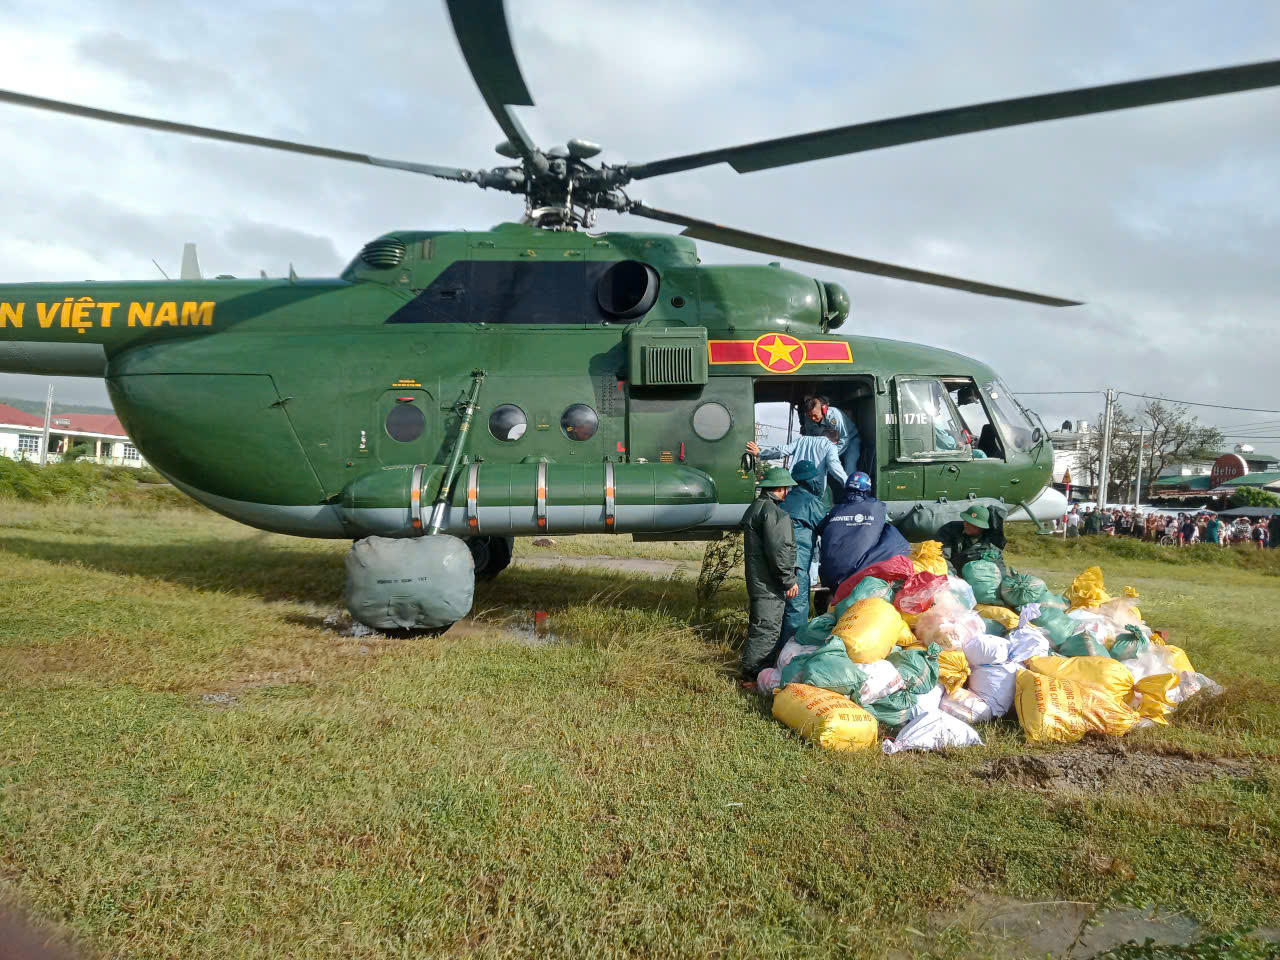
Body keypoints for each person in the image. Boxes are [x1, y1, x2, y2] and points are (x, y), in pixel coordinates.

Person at [740, 467, 799, 685]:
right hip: (769, 584)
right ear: (782, 489)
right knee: (767, 629)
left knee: (760, 626)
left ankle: (753, 671)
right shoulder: (775, 514)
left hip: (758, 580)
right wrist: (789, 580)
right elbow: (780, 550)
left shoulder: (757, 507)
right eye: (787, 488)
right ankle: (754, 676)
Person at [815, 471, 910, 590]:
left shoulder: (835, 510)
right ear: (867, 490)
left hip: (832, 576)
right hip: (860, 573)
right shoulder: (877, 507)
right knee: (892, 534)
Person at [779, 460, 827, 644]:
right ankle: (791, 654)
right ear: (810, 480)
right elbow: (826, 529)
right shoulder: (812, 503)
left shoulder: (783, 500)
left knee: (779, 609)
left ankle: (774, 655)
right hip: (797, 563)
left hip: (778, 561)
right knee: (796, 609)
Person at [746, 430, 847, 503]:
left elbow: (782, 451)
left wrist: (760, 453)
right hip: (814, 492)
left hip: (793, 486)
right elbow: (834, 467)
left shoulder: (802, 440)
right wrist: (848, 483)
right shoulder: (830, 446)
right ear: (835, 442)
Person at [938, 503, 1008, 577]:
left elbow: (998, 567)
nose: (966, 525)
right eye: (965, 521)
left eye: (972, 524)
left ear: (982, 527)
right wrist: (952, 574)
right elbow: (941, 555)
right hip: (949, 574)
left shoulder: (990, 543)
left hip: (973, 578)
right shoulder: (950, 529)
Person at [800, 396, 862, 476]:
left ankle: (850, 487)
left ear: (823, 409)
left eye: (815, 415)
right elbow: (809, 439)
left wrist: (830, 455)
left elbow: (844, 438)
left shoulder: (834, 415)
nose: (813, 418)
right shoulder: (808, 419)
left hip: (850, 441)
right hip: (829, 446)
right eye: (810, 416)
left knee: (850, 466)